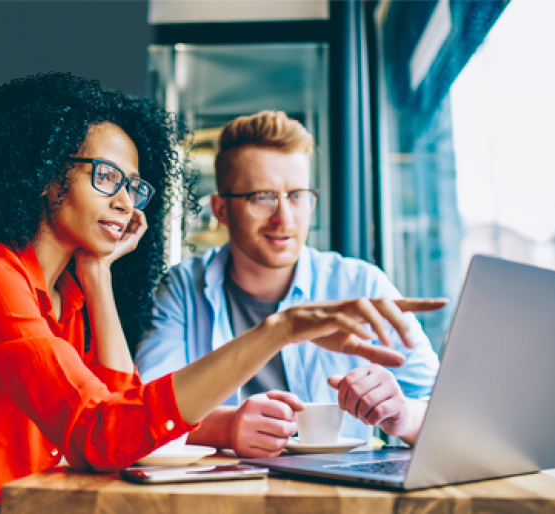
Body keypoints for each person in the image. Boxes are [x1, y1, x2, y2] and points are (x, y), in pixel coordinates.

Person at [0, 76, 443, 512]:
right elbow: (101, 434)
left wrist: (100, 276)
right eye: (105, 177)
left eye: (134, 186)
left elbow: (119, 420)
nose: (127, 203)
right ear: (47, 177)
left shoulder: (71, 295)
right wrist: (278, 331)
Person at [135, 110, 443, 458]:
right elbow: (142, 413)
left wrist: (403, 415)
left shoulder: (361, 284)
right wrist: (226, 426)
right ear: (221, 209)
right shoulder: (183, 288)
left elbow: (447, 412)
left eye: (297, 195)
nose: (285, 218)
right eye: (262, 197)